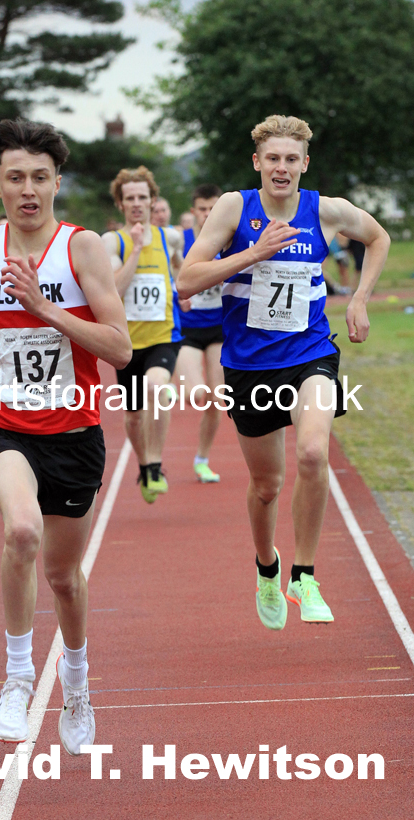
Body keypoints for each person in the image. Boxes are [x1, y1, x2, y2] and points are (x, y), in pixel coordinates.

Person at [0, 118, 131, 750]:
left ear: (57, 182)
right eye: (16, 178)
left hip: (74, 432)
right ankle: (16, 678)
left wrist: (44, 308)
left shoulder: (85, 248)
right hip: (2, 424)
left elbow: (119, 348)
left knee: (64, 579)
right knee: (20, 530)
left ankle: (77, 678)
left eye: (40, 177)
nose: (29, 189)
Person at [178, 115, 390, 628]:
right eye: (272, 158)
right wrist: (254, 252)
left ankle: (305, 574)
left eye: (291, 159)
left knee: (315, 451)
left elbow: (378, 238)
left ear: (305, 164)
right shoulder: (235, 207)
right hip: (249, 365)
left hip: (311, 352)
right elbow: (187, 280)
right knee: (267, 484)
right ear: (257, 163)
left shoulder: (327, 210)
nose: (282, 167)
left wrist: (359, 298)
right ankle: (267, 566)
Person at [102, 167, 183, 503]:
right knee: (134, 416)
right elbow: (114, 289)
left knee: (157, 386)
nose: (137, 204)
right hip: (128, 343)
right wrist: (135, 249)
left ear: (153, 201)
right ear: (121, 204)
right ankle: (144, 462)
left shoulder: (171, 237)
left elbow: (179, 264)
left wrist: (183, 287)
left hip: (165, 334)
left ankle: (155, 463)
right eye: (130, 198)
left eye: (142, 197)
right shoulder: (112, 242)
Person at [175, 183, 224, 483]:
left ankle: (202, 459)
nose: (207, 214)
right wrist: (177, 292)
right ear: (193, 211)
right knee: (197, 394)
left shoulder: (231, 239)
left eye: (212, 209)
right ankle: (174, 378)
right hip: (188, 329)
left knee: (218, 398)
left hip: (219, 328)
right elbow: (163, 276)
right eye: (202, 209)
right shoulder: (181, 240)